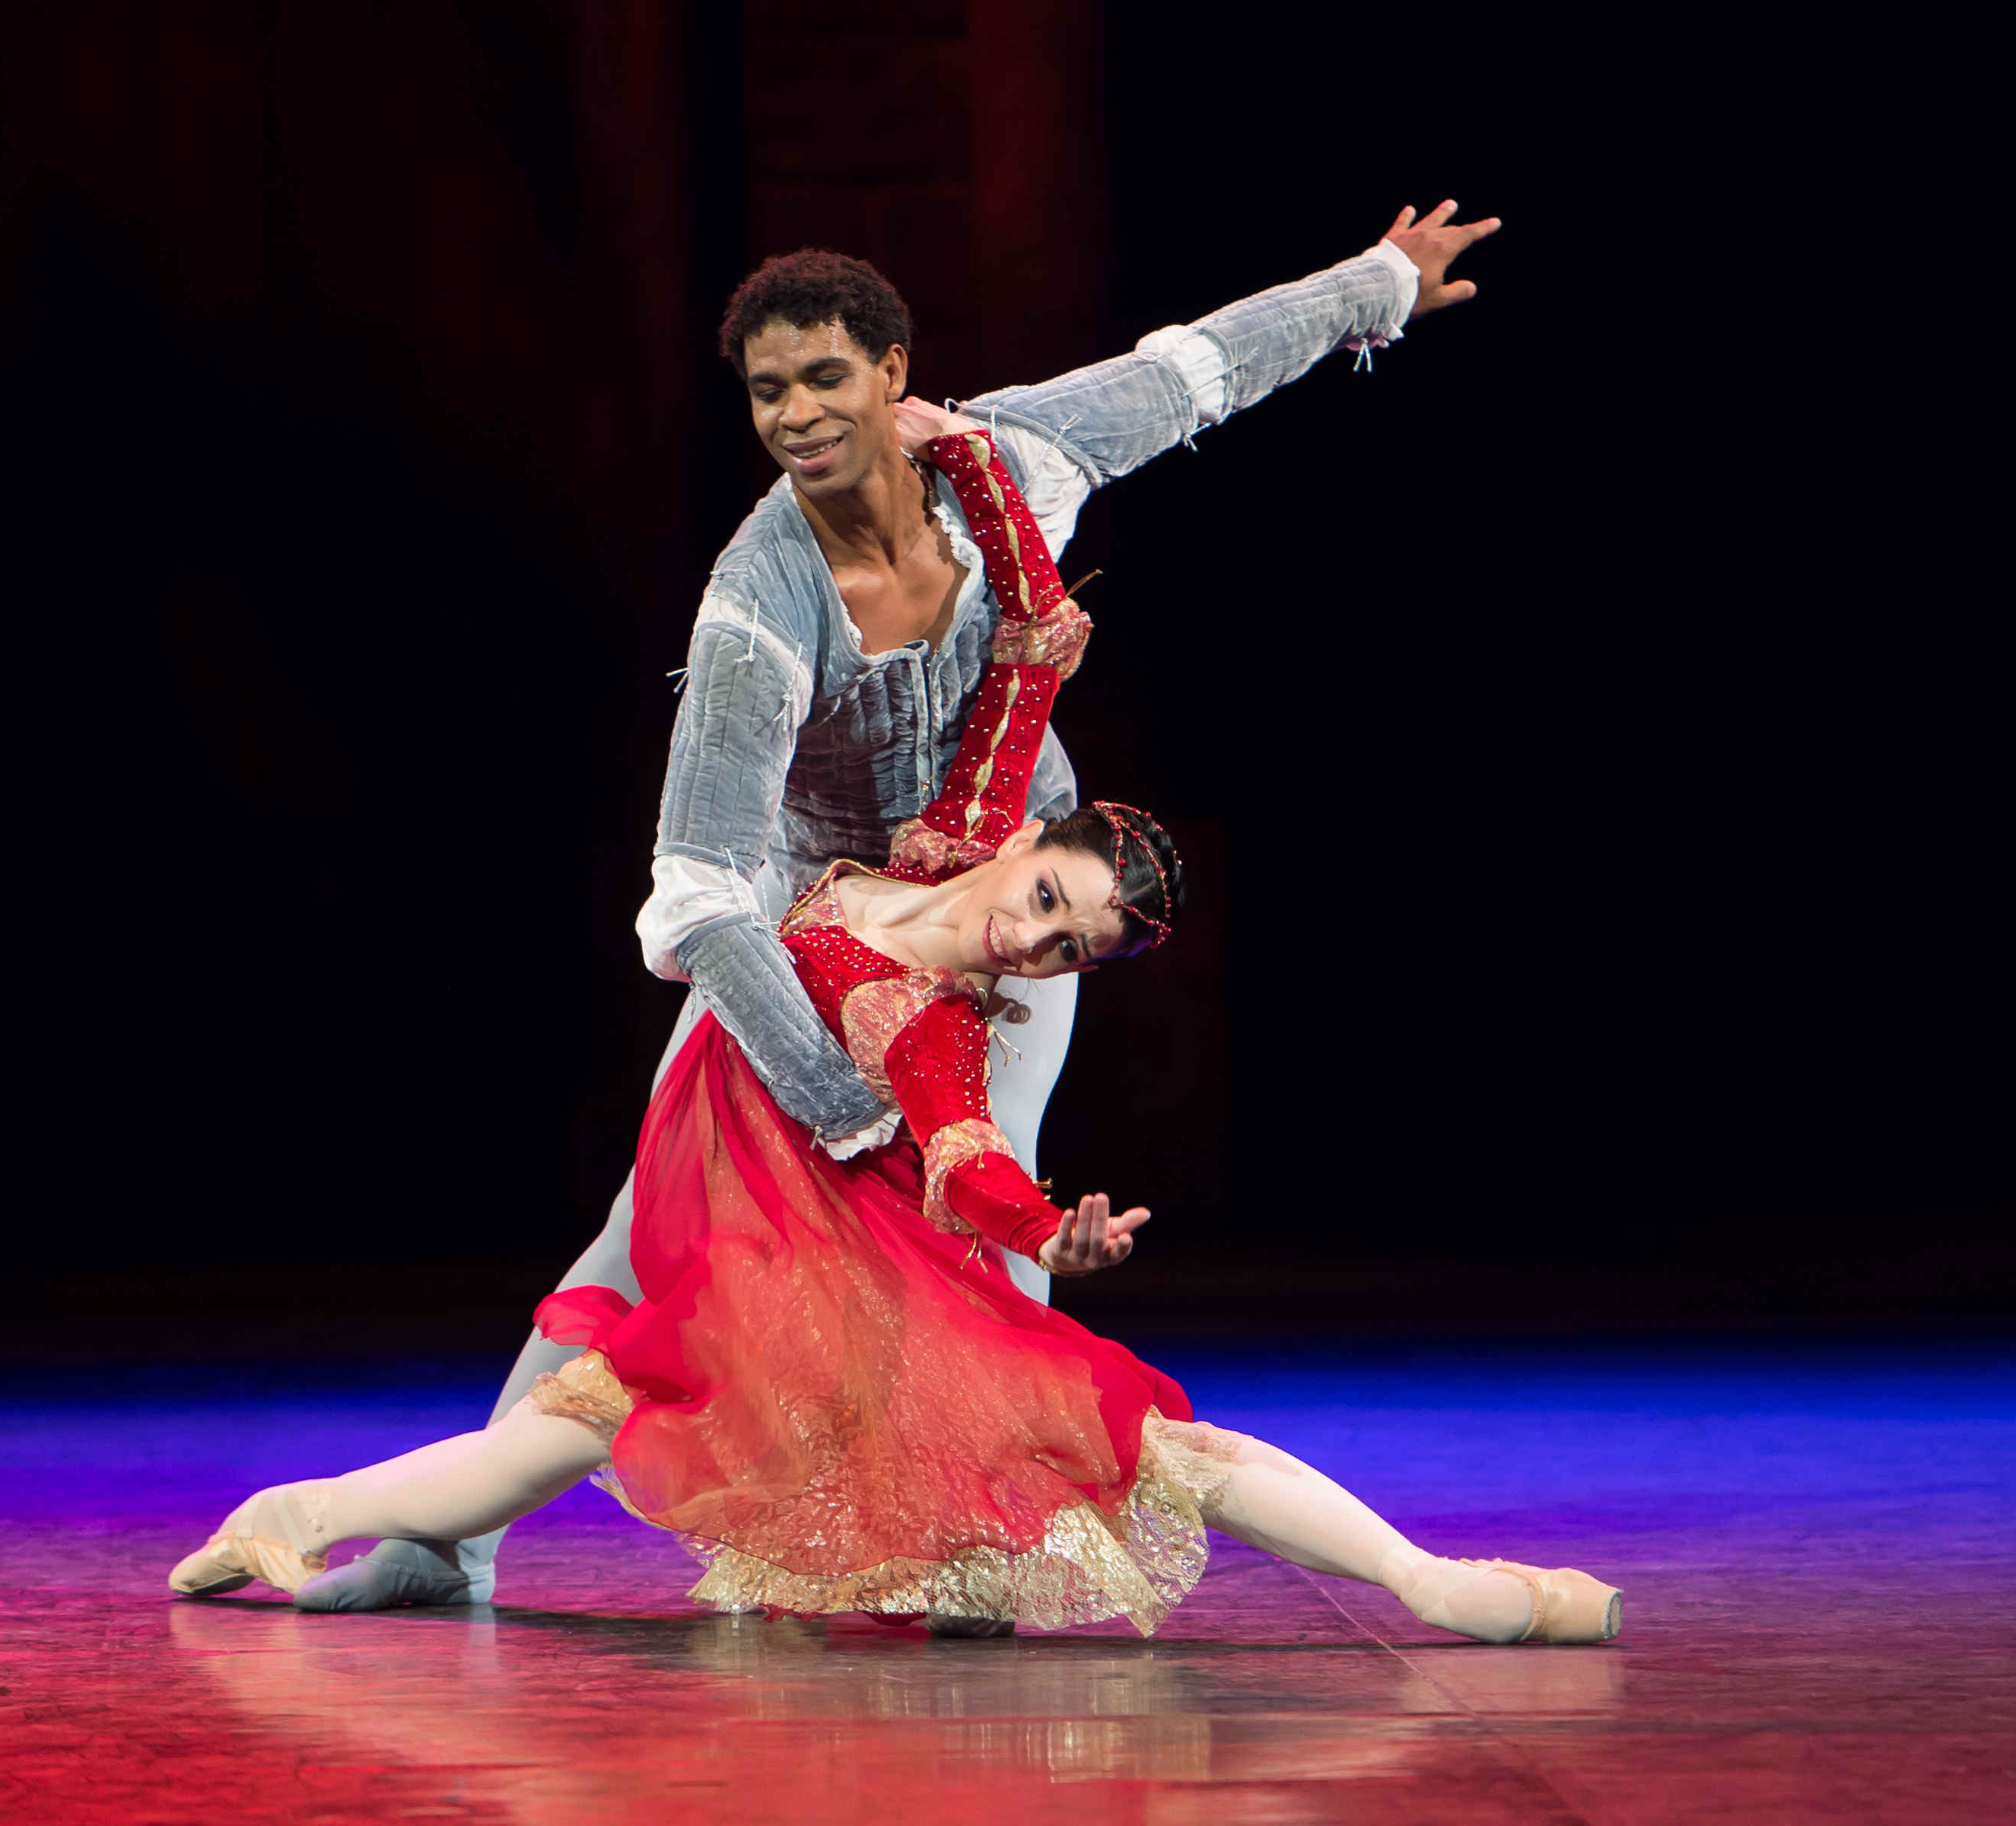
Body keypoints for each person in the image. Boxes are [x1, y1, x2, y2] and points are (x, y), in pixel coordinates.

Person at [172, 423, 1620, 1646]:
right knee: (546, 1433)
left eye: (1072, 947)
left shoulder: (937, 1033)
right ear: (1027, 841)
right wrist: (973, 467)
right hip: (741, 1231)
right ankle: (298, 1516)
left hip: (844, 1268)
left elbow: (970, 1161)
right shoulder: (958, 834)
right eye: (1051, 900)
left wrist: (1052, 1239)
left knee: (1145, 1440)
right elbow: (1041, 638)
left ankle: (1435, 1584)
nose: (1039, 939)